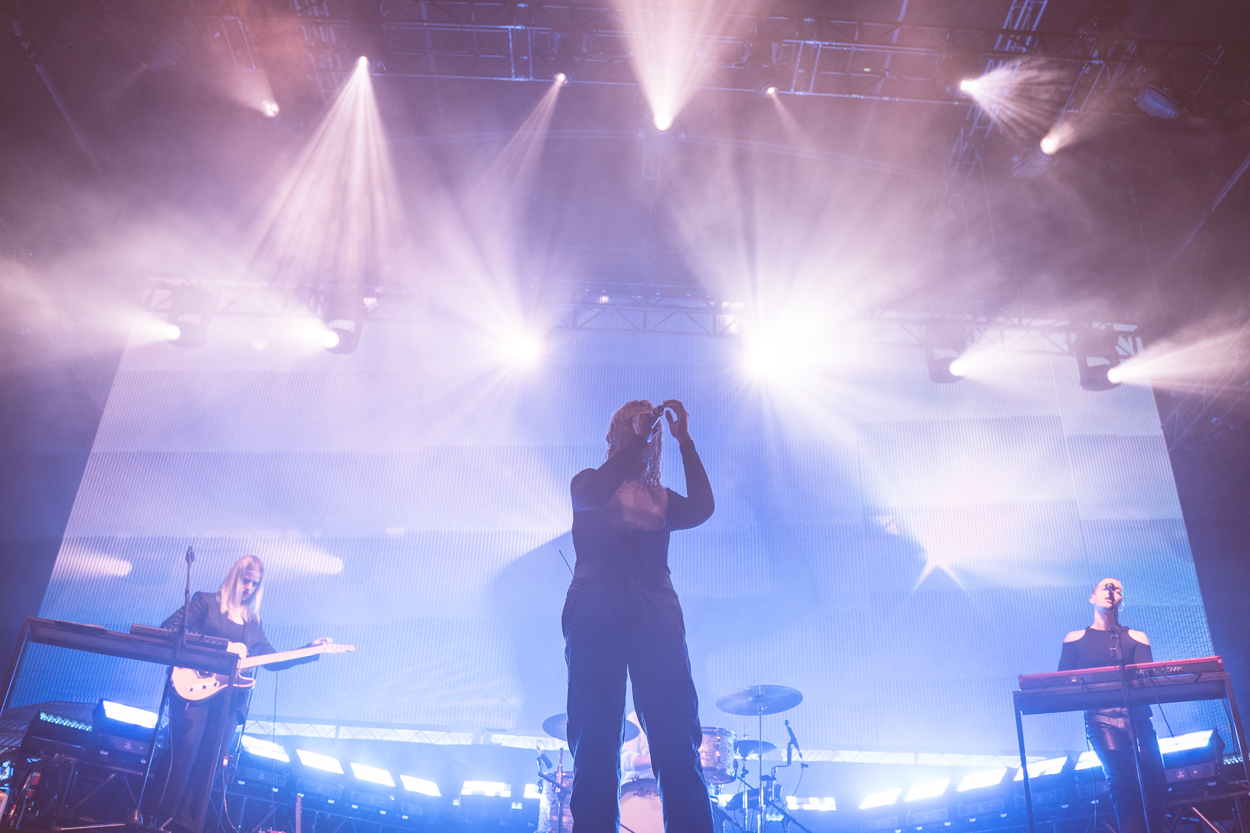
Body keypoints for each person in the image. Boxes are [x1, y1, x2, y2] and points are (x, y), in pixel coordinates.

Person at [564, 399, 715, 833]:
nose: (647, 436)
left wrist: (685, 441)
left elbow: (703, 507)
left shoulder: (661, 499)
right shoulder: (588, 483)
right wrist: (638, 437)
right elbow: (594, 495)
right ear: (619, 433)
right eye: (636, 428)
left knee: (675, 737)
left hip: (655, 608)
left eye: (651, 432)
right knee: (595, 739)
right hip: (596, 604)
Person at [152, 555, 331, 833]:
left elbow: (273, 660)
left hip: (230, 701)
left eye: (254, 584)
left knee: (210, 762)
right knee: (185, 748)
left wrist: (310, 649)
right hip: (193, 689)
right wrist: (217, 650)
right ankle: (158, 817)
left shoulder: (252, 623)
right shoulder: (205, 602)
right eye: (245, 580)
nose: (248, 587)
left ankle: (186, 824)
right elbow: (169, 628)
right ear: (234, 576)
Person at [1057, 578, 1167, 833]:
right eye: (1105, 587)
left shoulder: (1136, 637)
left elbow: (1147, 681)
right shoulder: (1075, 639)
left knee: (1153, 777)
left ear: (1121, 602)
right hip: (1101, 719)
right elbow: (1061, 682)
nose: (1111, 592)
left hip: (1139, 717)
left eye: (1117, 590)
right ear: (1092, 598)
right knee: (1123, 777)